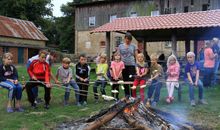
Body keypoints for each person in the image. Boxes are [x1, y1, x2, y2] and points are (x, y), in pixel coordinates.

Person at [118, 32, 138, 97]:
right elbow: (118, 55)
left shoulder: (134, 46)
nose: (128, 40)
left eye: (129, 39)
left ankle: (133, 95)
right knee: (125, 80)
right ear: (125, 38)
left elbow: (136, 56)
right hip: (123, 65)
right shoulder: (120, 46)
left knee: (132, 80)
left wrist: (137, 65)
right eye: (127, 39)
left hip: (131, 65)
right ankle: (127, 95)